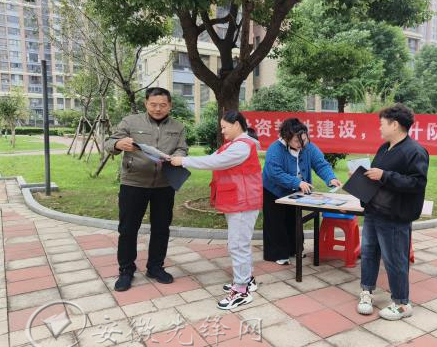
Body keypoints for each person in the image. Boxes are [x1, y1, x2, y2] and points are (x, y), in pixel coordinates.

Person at [170, 111, 262, 310]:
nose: (222, 131)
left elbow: (214, 162)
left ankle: (241, 291)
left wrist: (183, 161)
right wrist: (181, 159)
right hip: (239, 200)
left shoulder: (242, 146)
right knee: (240, 243)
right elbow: (212, 158)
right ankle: (246, 280)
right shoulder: (234, 144)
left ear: (236, 124)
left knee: (238, 245)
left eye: (224, 127)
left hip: (243, 201)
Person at [105, 87, 188, 292]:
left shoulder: (178, 127)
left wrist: (178, 156)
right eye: (153, 104)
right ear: (145, 103)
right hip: (133, 183)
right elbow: (109, 143)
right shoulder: (130, 122)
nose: (158, 109)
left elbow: (182, 148)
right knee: (128, 229)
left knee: (161, 228)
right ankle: (126, 270)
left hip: (164, 185)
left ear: (170, 105)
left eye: (163, 105)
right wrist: (119, 144)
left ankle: (155, 267)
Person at [356, 103, 429, 321]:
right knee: (368, 253)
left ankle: (402, 303)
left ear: (395, 125)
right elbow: (377, 176)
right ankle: (366, 291)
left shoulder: (415, 151)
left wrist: (384, 175)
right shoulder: (384, 148)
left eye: (382, 124)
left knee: (395, 259)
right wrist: (361, 178)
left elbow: (417, 183)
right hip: (373, 211)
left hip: (395, 216)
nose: (379, 128)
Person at [262, 118, 342, 265]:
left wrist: (330, 178)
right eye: (297, 141)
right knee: (276, 222)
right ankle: (278, 254)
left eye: (304, 139)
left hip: (295, 192)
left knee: (294, 220)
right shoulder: (275, 149)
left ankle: (295, 249)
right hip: (274, 190)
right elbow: (274, 172)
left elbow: (321, 164)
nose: (301, 144)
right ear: (286, 138)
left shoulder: (308, 147)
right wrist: (297, 182)